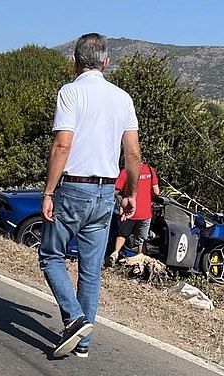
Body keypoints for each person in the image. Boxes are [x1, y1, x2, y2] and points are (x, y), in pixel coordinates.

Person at [38, 33, 141, 359]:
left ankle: (74, 319)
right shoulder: (122, 98)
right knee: (91, 270)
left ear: (75, 61)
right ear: (106, 62)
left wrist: (49, 191)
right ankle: (82, 345)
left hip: (74, 188)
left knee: (51, 256)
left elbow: (63, 145)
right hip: (106, 191)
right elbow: (134, 154)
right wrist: (130, 194)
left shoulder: (70, 93)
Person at [107, 163, 159, 264]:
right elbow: (156, 192)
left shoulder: (125, 171)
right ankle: (140, 261)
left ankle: (115, 253)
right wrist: (147, 198)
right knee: (142, 240)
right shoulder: (150, 170)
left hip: (129, 210)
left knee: (122, 234)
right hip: (145, 212)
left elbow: (115, 190)